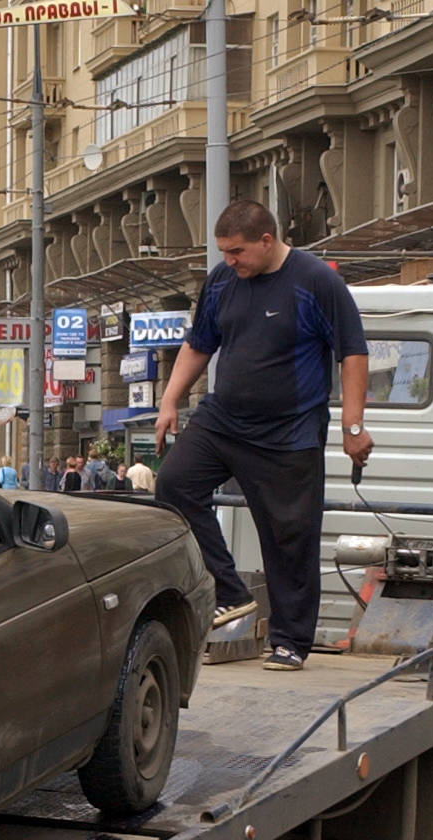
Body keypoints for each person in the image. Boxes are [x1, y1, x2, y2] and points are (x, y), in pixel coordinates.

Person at [154, 199, 370, 673]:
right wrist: (170, 401)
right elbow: (199, 344)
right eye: (224, 252)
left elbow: (352, 354)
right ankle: (229, 592)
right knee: (173, 485)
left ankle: (290, 640)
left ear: (267, 241)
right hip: (222, 420)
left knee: (288, 538)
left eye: (237, 252)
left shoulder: (316, 281)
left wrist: (353, 425)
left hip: (288, 433)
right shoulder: (223, 281)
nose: (230, 261)